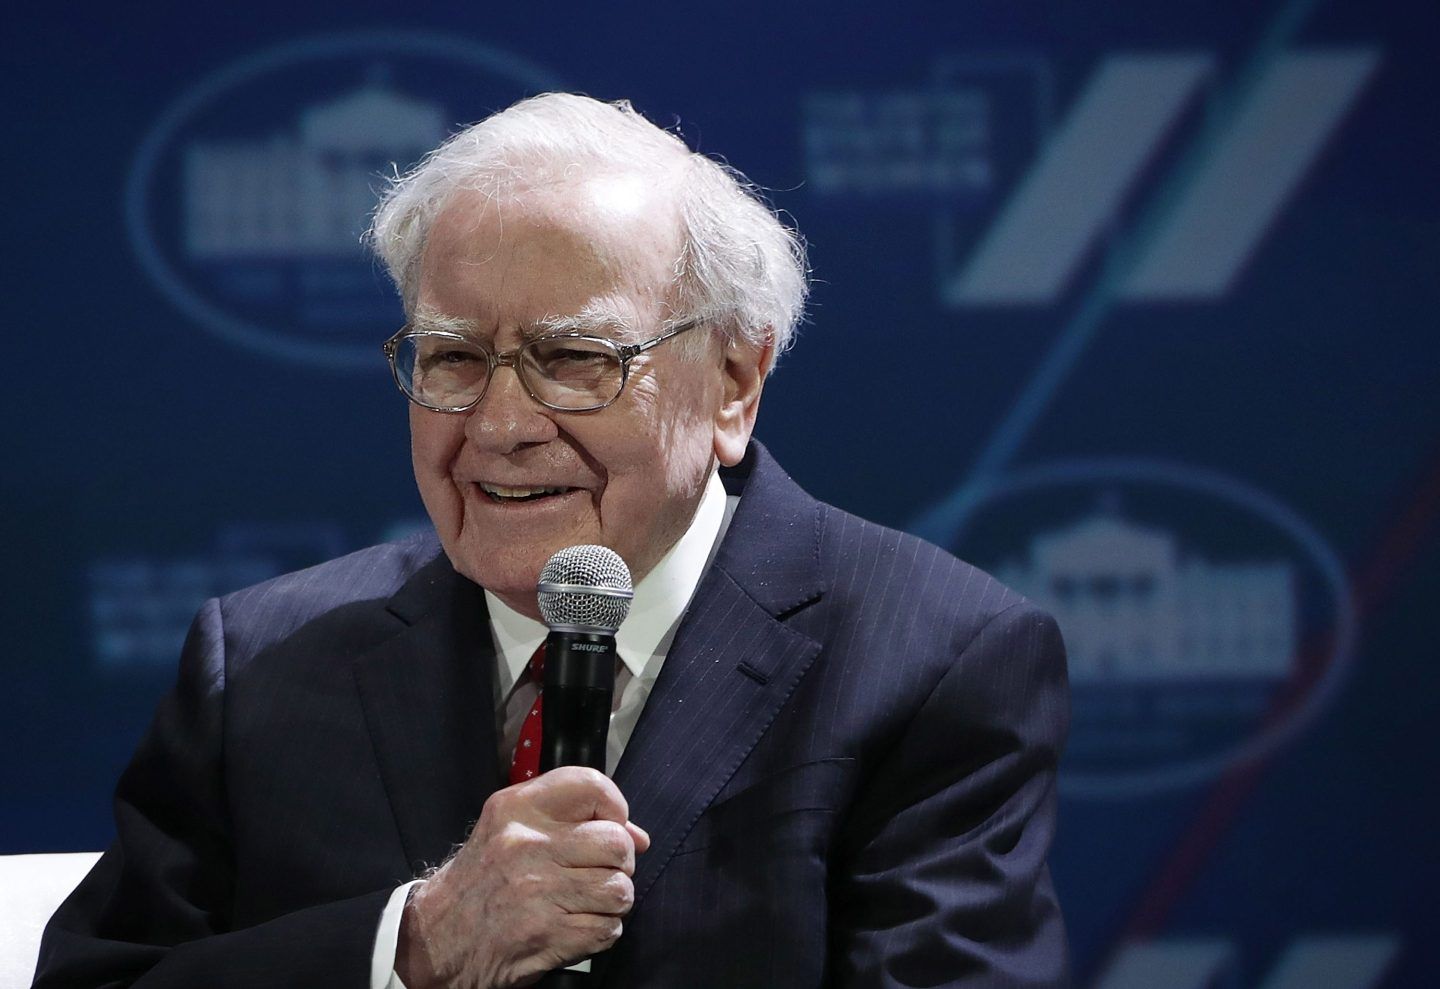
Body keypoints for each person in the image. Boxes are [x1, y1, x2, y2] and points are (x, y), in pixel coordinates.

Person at [34, 93, 1070, 988]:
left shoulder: (932, 658)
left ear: (735, 382)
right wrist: (416, 946)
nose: (498, 422)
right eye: (451, 357)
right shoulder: (260, 662)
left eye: (574, 357)